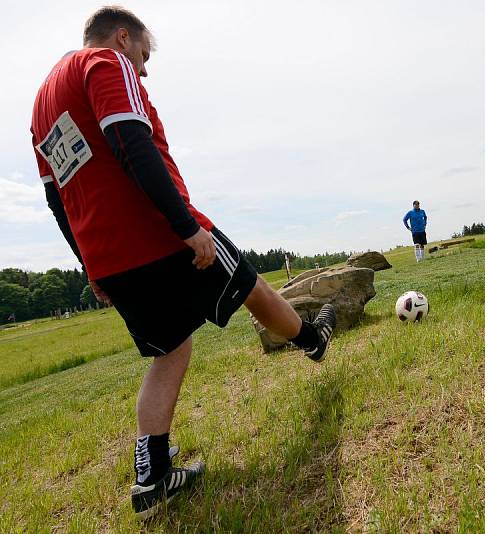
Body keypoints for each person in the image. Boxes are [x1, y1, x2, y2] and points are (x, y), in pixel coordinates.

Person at [30, 7, 336, 519]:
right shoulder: (104, 62)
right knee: (246, 282)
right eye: (144, 56)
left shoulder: (41, 108)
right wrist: (184, 225)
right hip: (155, 230)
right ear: (123, 37)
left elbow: (56, 199)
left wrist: (90, 266)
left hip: (110, 256)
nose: (144, 70)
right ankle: (313, 340)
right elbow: (130, 140)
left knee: (170, 347)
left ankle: (151, 478)